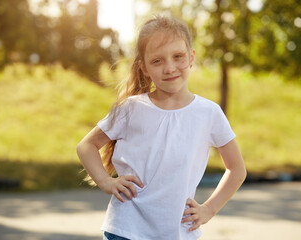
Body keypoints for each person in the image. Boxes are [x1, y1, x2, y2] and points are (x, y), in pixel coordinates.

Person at [77, 15, 246, 240]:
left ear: (191, 57)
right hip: (127, 228)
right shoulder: (131, 109)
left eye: (178, 56)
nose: (169, 68)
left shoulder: (209, 113)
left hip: (178, 232)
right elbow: (86, 146)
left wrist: (208, 209)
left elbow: (237, 169)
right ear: (144, 68)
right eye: (157, 61)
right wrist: (106, 181)